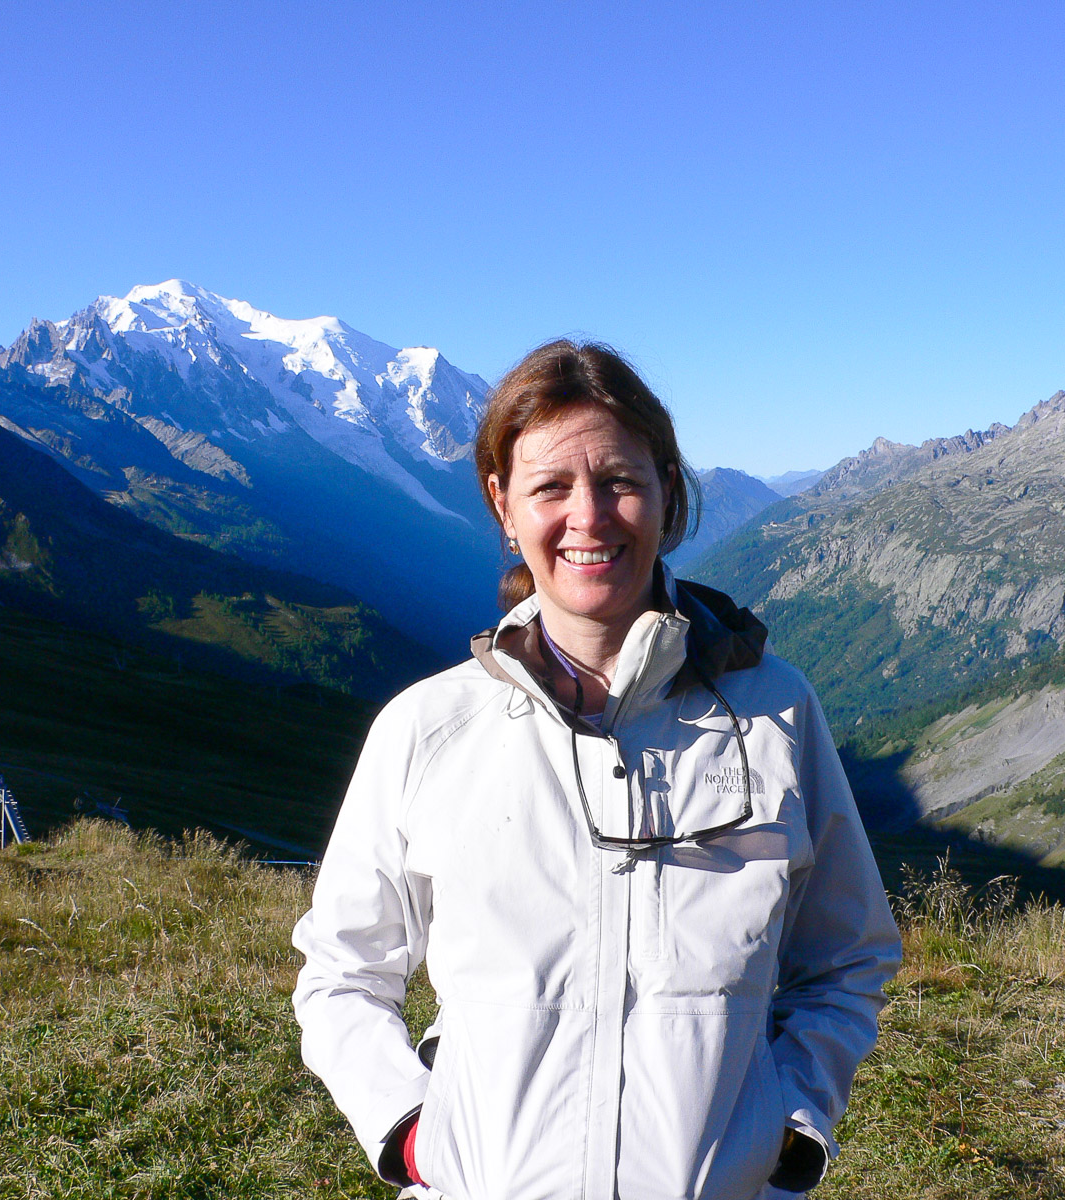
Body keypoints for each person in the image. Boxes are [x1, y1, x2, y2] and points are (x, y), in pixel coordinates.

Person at [292, 340, 901, 1200]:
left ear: (667, 492)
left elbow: (848, 959)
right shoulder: (428, 730)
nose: (590, 516)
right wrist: (411, 1137)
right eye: (550, 487)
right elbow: (341, 975)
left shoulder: (774, 713)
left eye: (620, 480)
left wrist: (790, 1132)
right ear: (503, 506)